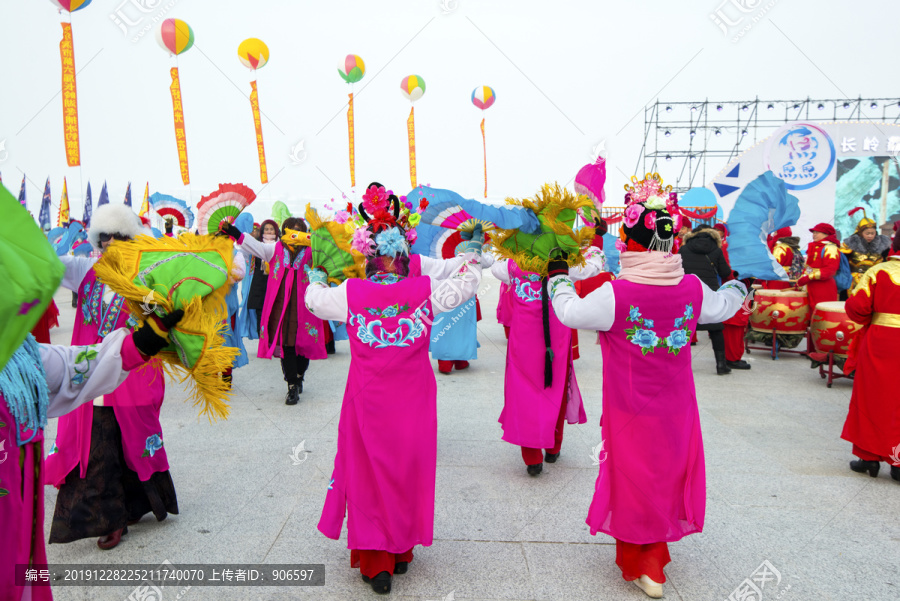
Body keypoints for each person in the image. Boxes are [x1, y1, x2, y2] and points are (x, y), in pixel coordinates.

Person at [548, 193, 746, 599]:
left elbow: (569, 313)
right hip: (677, 408)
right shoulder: (690, 288)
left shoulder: (615, 294)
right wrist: (740, 286)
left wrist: (557, 279)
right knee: (665, 476)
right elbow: (723, 307)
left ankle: (648, 563)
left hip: (629, 408)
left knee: (633, 478)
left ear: (629, 241)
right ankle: (650, 558)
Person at [305, 182, 482, 594]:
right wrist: (471, 255)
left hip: (368, 399)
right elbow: (467, 283)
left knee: (368, 472)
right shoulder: (425, 291)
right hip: (414, 399)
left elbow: (314, 301)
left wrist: (315, 276)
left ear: (367, 255)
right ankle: (401, 550)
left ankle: (377, 561)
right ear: (405, 253)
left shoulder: (352, 292)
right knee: (406, 469)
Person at [46, 204, 178, 551]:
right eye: (104, 240)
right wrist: (53, 239)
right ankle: (110, 519)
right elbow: (48, 264)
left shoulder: (143, 278)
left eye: (117, 240)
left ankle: (136, 505)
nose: (109, 247)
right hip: (89, 372)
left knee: (130, 441)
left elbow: (159, 318)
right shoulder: (85, 270)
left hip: (132, 373)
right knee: (97, 446)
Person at [491, 248, 604, 476]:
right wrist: (589, 248)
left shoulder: (512, 264)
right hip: (557, 337)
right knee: (556, 386)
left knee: (523, 392)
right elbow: (595, 264)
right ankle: (553, 447)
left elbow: (493, 265)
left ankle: (532, 457)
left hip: (523, 339)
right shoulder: (566, 265)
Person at [220, 216, 326, 405]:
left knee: (303, 346)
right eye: (291, 230)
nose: (295, 233)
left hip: (305, 306)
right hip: (281, 306)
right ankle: (292, 385)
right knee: (287, 345)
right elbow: (254, 245)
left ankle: (300, 374)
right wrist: (234, 231)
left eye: (299, 229)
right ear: (284, 233)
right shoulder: (275, 249)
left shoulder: (313, 253)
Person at [840, 232, 900, 482]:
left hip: (881, 341)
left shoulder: (878, 271)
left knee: (873, 397)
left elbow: (857, 308)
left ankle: (869, 458)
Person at [678, 224, 736, 374]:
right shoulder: (716, 250)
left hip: (687, 291)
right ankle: (721, 365)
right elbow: (725, 272)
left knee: (685, 328)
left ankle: (681, 366)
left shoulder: (684, 249)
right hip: (709, 292)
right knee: (716, 328)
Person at [841, 208, 891, 291]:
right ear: (860, 233)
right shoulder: (850, 244)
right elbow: (843, 264)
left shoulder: (883, 245)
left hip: (875, 280)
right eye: (867, 233)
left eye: (872, 233)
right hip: (854, 281)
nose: (870, 236)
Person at [797, 223, 840, 310]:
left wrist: (809, 277)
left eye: (817, 232)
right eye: (814, 232)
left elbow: (829, 270)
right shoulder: (814, 246)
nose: (814, 235)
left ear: (826, 234)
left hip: (823, 287)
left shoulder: (831, 248)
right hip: (810, 286)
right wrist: (802, 278)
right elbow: (808, 267)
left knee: (820, 314)